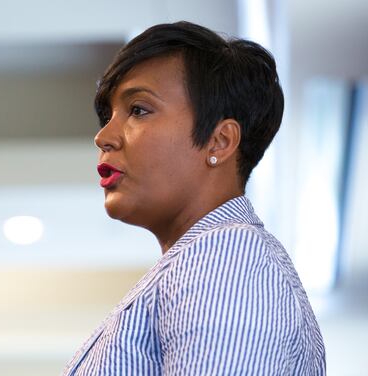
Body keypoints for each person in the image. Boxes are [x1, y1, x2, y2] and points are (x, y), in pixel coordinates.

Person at [62, 21, 326, 375]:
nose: (103, 136)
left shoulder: (227, 256)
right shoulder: (205, 261)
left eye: (138, 110)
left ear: (219, 141)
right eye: (108, 116)